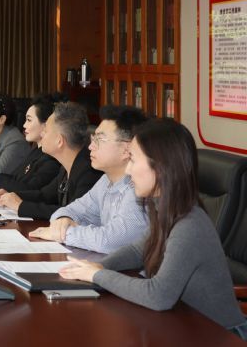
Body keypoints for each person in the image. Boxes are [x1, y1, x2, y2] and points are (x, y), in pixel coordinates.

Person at [59, 119, 247, 340]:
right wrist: (99, 266)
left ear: (160, 168)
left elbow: (158, 295)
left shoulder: (190, 224)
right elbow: (138, 250)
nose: (128, 170)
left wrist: (98, 275)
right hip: (183, 325)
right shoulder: (165, 210)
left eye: (133, 160)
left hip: (221, 336)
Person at [29, 105, 149, 253]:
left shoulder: (138, 190)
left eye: (99, 139)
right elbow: (70, 210)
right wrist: (63, 220)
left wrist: (63, 233)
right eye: (93, 138)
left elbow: (109, 241)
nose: (91, 146)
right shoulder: (105, 181)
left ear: (126, 150)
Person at [0, 102, 102, 220]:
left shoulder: (89, 172)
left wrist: (20, 206)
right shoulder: (66, 167)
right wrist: (10, 196)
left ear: (59, 141)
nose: (42, 133)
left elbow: (73, 214)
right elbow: (44, 195)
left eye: (46, 130)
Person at [0, 93, 64, 193]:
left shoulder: (52, 159)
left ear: (46, 124)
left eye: (29, 120)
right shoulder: (36, 152)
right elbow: (15, 178)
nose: (24, 125)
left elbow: (30, 190)